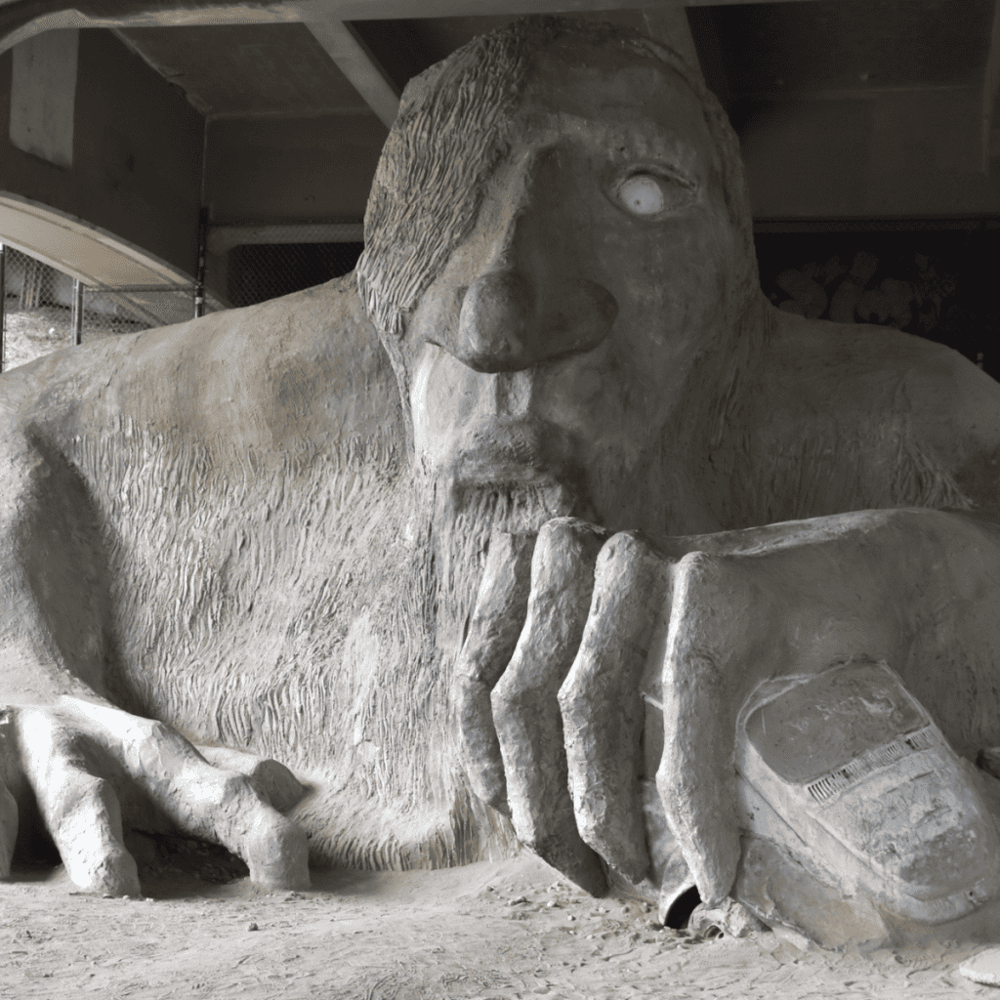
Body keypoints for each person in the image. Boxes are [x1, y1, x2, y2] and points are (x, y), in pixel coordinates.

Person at [0, 17, 998, 934]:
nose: (493, 322)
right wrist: (33, 679)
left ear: (733, 279)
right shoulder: (313, 376)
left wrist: (901, 582)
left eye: (639, 193)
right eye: (439, 201)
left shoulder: (866, 401)